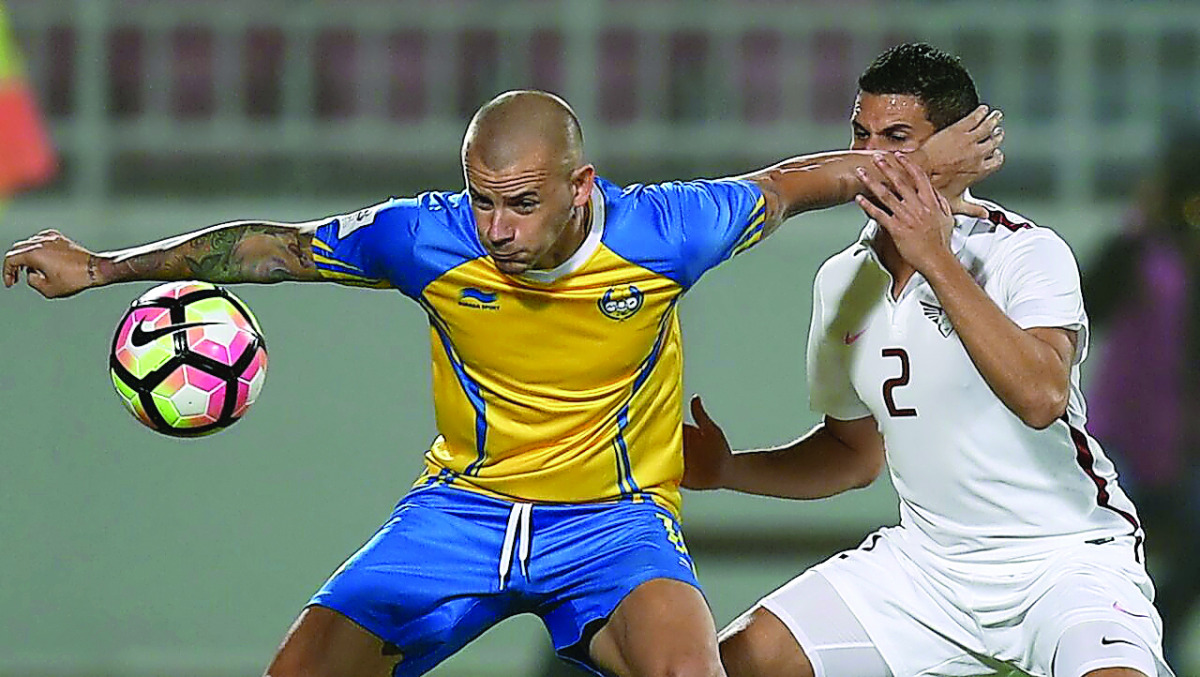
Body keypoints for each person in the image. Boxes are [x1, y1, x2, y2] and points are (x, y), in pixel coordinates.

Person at [3, 89, 1001, 677]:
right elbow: (276, 248)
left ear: (580, 187)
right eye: (481, 199)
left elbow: (794, 184)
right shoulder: (424, 236)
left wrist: (920, 165)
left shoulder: (664, 231)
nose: (495, 227)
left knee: (692, 667)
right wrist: (102, 267)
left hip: (614, 523)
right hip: (462, 514)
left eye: (520, 203)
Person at [683, 44, 1174, 677]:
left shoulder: (1026, 253)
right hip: (926, 570)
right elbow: (854, 455)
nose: (868, 159)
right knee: (735, 662)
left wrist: (934, 258)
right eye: (860, 136)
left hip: (1062, 561)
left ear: (955, 152)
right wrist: (727, 469)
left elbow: (1041, 397)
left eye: (896, 138)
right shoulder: (842, 280)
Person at [1082, 122, 1200, 668]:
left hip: (1184, 444)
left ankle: (1161, 640)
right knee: (1114, 564)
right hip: (1124, 439)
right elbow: (1087, 305)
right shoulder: (1136, 250)